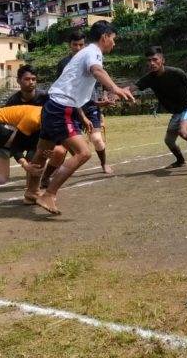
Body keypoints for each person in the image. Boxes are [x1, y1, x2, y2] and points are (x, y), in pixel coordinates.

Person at [30, 21, 135, 215]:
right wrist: (116, 89)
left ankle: (31, 191)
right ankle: (49, 194)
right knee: (83, 153)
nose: (114, 43)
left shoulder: (84, 53)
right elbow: (97, 71)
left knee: (42, 150)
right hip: (62, 108)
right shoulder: (93, 52)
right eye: (113, 39)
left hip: (52, 105)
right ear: (105, 37)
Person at [53, 30, 114, 180]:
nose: (78, 48)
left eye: (81, 44)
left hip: (91, 105)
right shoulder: (63, 64)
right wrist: (81, 116)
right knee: (69, 143)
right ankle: (56, 169)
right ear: (70, 45)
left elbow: (101, 76)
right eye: (75, 45)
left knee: (97, 140)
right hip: (71, 106)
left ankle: (103, 163)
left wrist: (105, 96)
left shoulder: (92, 56)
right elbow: (65, 89)